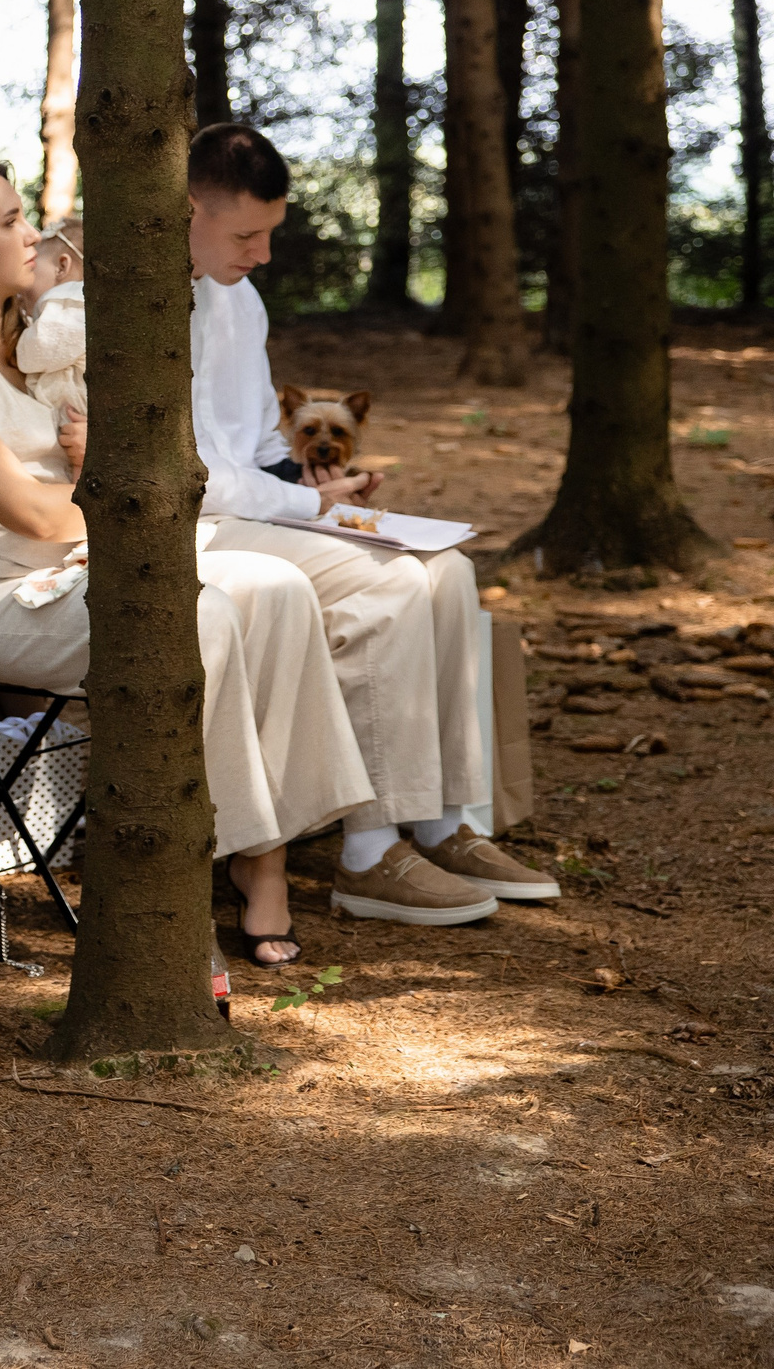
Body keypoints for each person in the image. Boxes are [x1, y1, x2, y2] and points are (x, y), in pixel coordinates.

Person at [0, 158, 373, 966]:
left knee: (280, 587)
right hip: (0, 596)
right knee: (200, 613)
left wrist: (115, 469)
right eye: (12, 219)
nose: (35, 231)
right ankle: (185, 884)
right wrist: (110, 474)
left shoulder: (44, 336)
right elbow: (28, 509)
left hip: (100, 562)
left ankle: (263, 858)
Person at [184, 123, 555, 921]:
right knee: (385, 585)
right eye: (247, 234)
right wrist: (306, 504)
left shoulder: (240, 299)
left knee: (448, 569)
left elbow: (250, 445)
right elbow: (194, 475)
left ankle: (444, 816)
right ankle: (367, 847)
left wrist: (324, 484)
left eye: (269, 234)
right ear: (188, 209)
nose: (262, 255)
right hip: (195, 527)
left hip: (258, 505)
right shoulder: (136, 301)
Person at [15, 217, 85, 418]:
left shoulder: (64, 299)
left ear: (62, 267)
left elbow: (37, 351)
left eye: (33, 263)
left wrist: (17, 349)